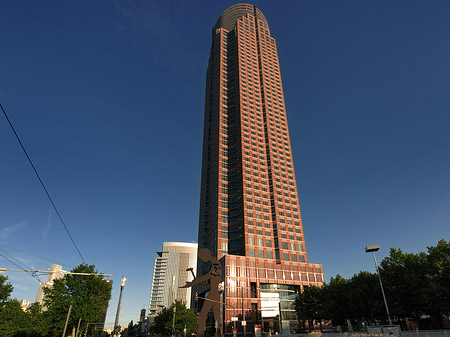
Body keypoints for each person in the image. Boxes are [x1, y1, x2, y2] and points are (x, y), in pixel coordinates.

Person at [182, 249, 222, 337]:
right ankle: (218, 333)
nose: (202, 259)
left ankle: (202, 334)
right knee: (216, 316)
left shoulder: (216, 263)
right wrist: (199, 281)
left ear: (206, 255)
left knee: (203, 315)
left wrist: (192, 283)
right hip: (214, 292)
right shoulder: (214, 265)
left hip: (214, 293)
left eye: (202, 257)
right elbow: (209, 280)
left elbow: (209, 276)